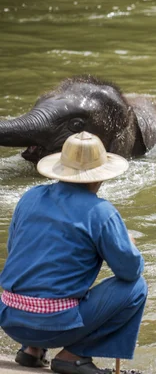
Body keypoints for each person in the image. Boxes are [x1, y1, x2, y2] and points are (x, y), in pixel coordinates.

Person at [0, 131, 147, 374]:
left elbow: (15, 250)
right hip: (53, 325)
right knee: (136, 288)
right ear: (99, 177)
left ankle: (31, 350)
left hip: (10, 319)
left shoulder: (29, 197)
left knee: (40, 275)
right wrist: (128, 245)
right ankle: (73, 356)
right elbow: (129, 271)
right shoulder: (101, 211)